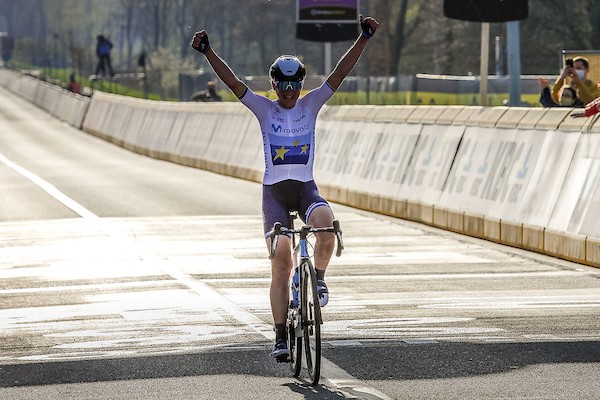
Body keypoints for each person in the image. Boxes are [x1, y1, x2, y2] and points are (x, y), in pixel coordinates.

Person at [191, 14, 379, 359]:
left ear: (302, 85)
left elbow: (340, 72)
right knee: (281, 260)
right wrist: (208, 52)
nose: (290, 93)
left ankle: (318, 277)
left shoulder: (312, 104)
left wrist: (363, 38)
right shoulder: (264, 109)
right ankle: (280, 336)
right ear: (273, 85)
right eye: (283, 86)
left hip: (306, 188)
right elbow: (232, 83)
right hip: (275, 194)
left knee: (327, 229)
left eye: (295, 86)